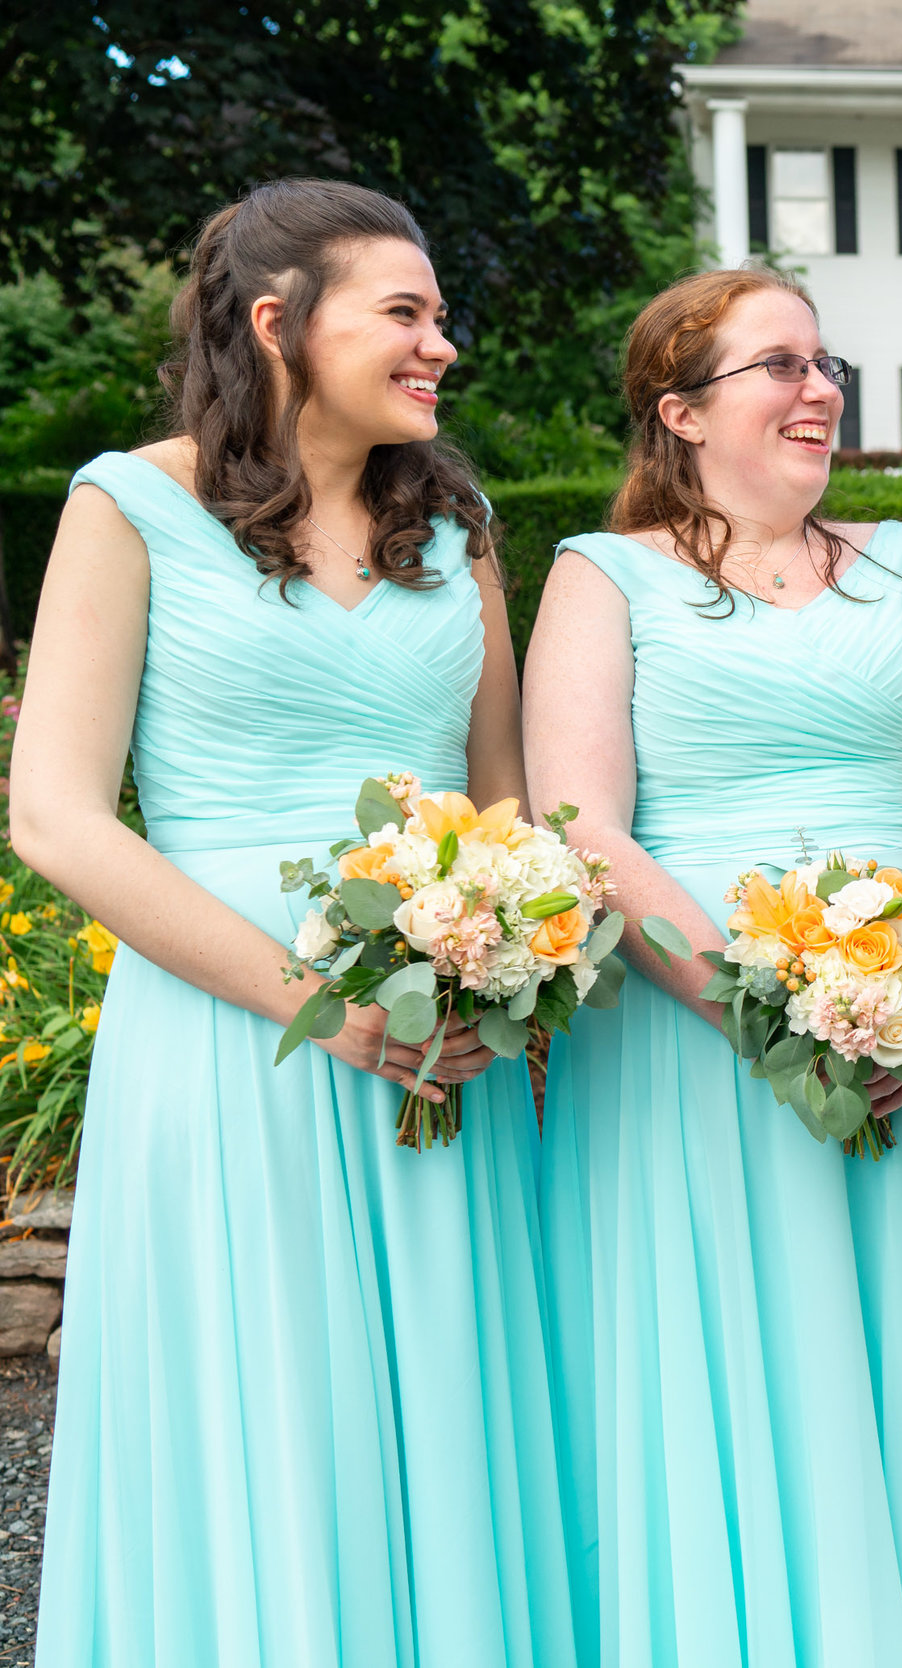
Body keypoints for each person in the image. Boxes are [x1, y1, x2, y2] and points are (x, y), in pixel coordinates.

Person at [14, 179, 572, 1665]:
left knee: (443, 1412)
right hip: (227, 1049)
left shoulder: (456, 530)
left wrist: (503, 964)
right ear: (277, 323)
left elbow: (503, 798)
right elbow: (56, 817)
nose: (440, 345)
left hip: (438, 1043)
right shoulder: (128, 505)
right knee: (259, 1400)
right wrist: (317, 1007)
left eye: (440, 316)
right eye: (404, 312)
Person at [524, 265, 902, 1667]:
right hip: (702, 1045)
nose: (822, 390)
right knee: (735, 1372)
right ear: (682, 412)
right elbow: (582, 823)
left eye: (825, 367)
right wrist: (772, 1016)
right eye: (782, 366)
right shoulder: (601, 575)